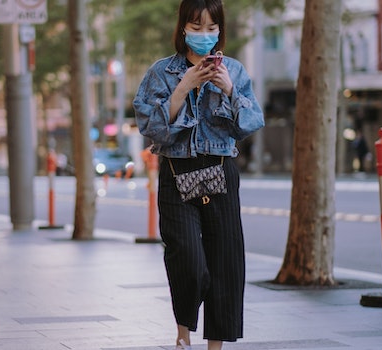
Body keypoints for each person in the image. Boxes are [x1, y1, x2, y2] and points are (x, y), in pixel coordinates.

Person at [132, 0, 264, 349]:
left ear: (220, 29)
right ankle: (183, 332)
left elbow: (252, 123)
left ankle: (214, 346)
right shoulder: (161, 72)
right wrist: (182, 88)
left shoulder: (233, 70)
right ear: (183, 29)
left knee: (226, 264)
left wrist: (230, 91)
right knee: (187, 257)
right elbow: (150, 127)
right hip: (177, 172)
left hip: (221, 169)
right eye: (196, 26)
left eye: (211, 27)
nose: (204, 34)